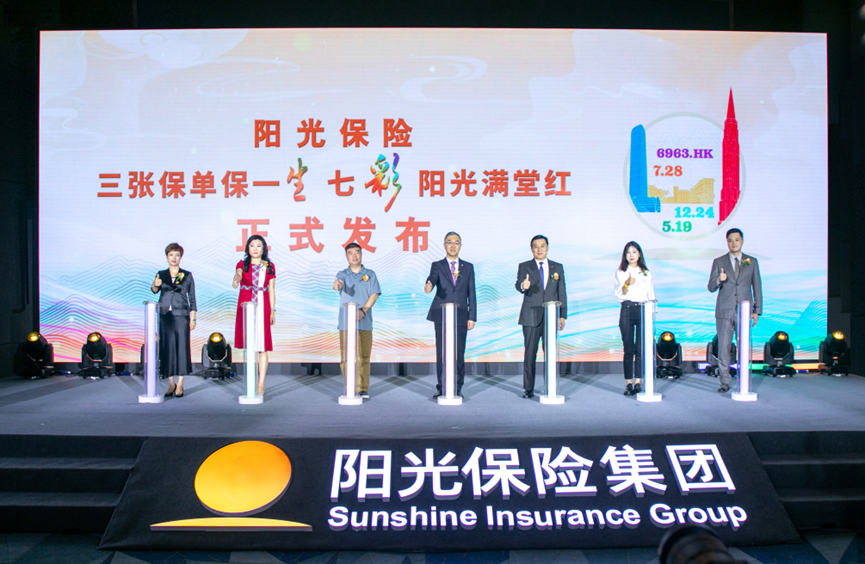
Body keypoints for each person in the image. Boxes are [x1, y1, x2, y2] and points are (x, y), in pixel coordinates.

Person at [708, 228, 762, 393]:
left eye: (737, 240)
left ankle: (743, 380)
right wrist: (719, 279)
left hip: (744, 311)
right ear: (727, 242)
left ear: (742, 241)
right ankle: (724, 381)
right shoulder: (719, 261)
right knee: (724, 348)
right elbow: (710, 287)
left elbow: (757, 287)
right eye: (730, 240)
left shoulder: (751, 262)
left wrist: (757, 310)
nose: (734, 243)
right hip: (724, 311)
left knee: (743, 347)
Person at [424, 232, 477, 398]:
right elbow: (432, 278)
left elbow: (471, 292)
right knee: (442, 353)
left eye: (456, 242)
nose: (453, 245)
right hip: (441, 314)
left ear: (460, 246)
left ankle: (458, 387)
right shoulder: (437, 265)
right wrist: (429, 285)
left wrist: (472, 316)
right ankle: (442, 387)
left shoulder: (468, 267)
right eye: (449, 242)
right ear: (444, 245)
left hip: (461, 314)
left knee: (459, 353)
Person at [516, 235, 567, 398]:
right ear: (532, 249)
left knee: (550, 353)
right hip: (530, 315)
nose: (539, 249)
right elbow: (518, 284)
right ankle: (528, 389)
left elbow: (561, 292)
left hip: (550, 316)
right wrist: (523, 285)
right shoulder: (525, 266)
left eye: (542, 246)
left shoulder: (557, 267)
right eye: (536, 246)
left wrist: (562, 315)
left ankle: (550, 388)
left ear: (547, 247)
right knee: (530, 353)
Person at [333, 243, 381, 399]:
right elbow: (338, 283)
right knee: (346, 357)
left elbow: (374, 294)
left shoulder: (370, 274)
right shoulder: (342, 274)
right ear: (346, 256)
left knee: (364, 356)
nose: (354, 256)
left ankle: (362, 388)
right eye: (350, 253)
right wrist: (337, 285)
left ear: (361, 254)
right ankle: (349, 387)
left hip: (364, 322)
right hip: (346, 323)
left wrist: (363, 311)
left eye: (357, 252)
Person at [151, 243, 197, 398]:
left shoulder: (187, 275)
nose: (174, 258)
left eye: (177, 255)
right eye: (171, 255)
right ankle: (171, 383)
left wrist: (193, 318)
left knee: (182, 347)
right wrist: (155, 285)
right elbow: (155, 290)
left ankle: (181, 383)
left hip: (181, 314)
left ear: (180, 257)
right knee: (167, 347)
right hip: (165, 315)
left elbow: (192, 297)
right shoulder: (161, 274)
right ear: (167, 257)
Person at [233, 235, 276, 397]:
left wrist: (272, 310)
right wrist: (236, 279)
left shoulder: (269, 266)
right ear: (247, 248)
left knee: (262, 345)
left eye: (259, 246)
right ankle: (250, 380)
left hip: (263, 305)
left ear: (264, 249)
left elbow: (271, 289)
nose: (255, 249)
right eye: (252, 245)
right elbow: (238, 274)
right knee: (249, 344)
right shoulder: (242, 264)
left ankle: (261, 382)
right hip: (246, 305)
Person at [614, 241, 656, 396]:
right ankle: (628, 382)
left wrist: (652, 312)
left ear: (639, 254)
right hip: (627, 308)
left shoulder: (645, 272)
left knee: (640, 349)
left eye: (634, 252)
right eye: (628, 252)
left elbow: (651, 294)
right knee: (628, 348)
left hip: (643, 310)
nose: (631, 255)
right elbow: (619, 293)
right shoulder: (621, 272)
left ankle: (638, 381)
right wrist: (626, 283)